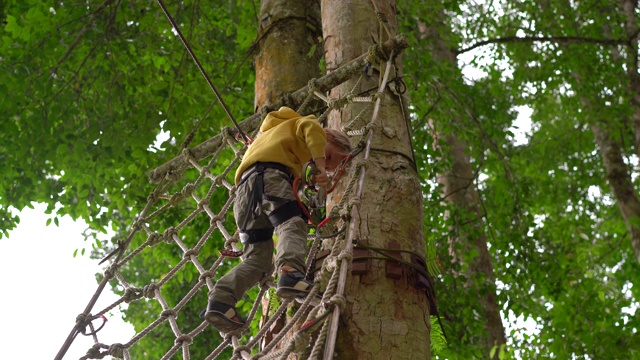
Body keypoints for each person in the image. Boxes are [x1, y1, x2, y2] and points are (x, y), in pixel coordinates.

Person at [202, 106, 352, 332]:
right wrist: (321, 165)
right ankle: (291, 272)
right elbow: (311, 128)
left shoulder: (277, 140)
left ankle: (220, 300)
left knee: (259, 261)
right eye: (329, 155)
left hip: (245, 196)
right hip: (268, 178)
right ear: (327, 136)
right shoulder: (306, 124)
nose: (320, 161)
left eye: (327, 163)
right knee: (292, 222)